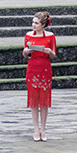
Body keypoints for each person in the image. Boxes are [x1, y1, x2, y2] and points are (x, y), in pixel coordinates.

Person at [23, 10, 57, 142]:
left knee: (44, 99)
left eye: (36, 23)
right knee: (33, 99)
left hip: (44, 67)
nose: (34, 25)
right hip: (32, 67)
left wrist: (49, 51)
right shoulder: (28, 35)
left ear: (43, 25)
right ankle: (35, 129)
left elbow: (54, 54)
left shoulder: (50, 36)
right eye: (33, 22)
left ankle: (43, 128)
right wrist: (26, 51)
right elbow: (25, 54)